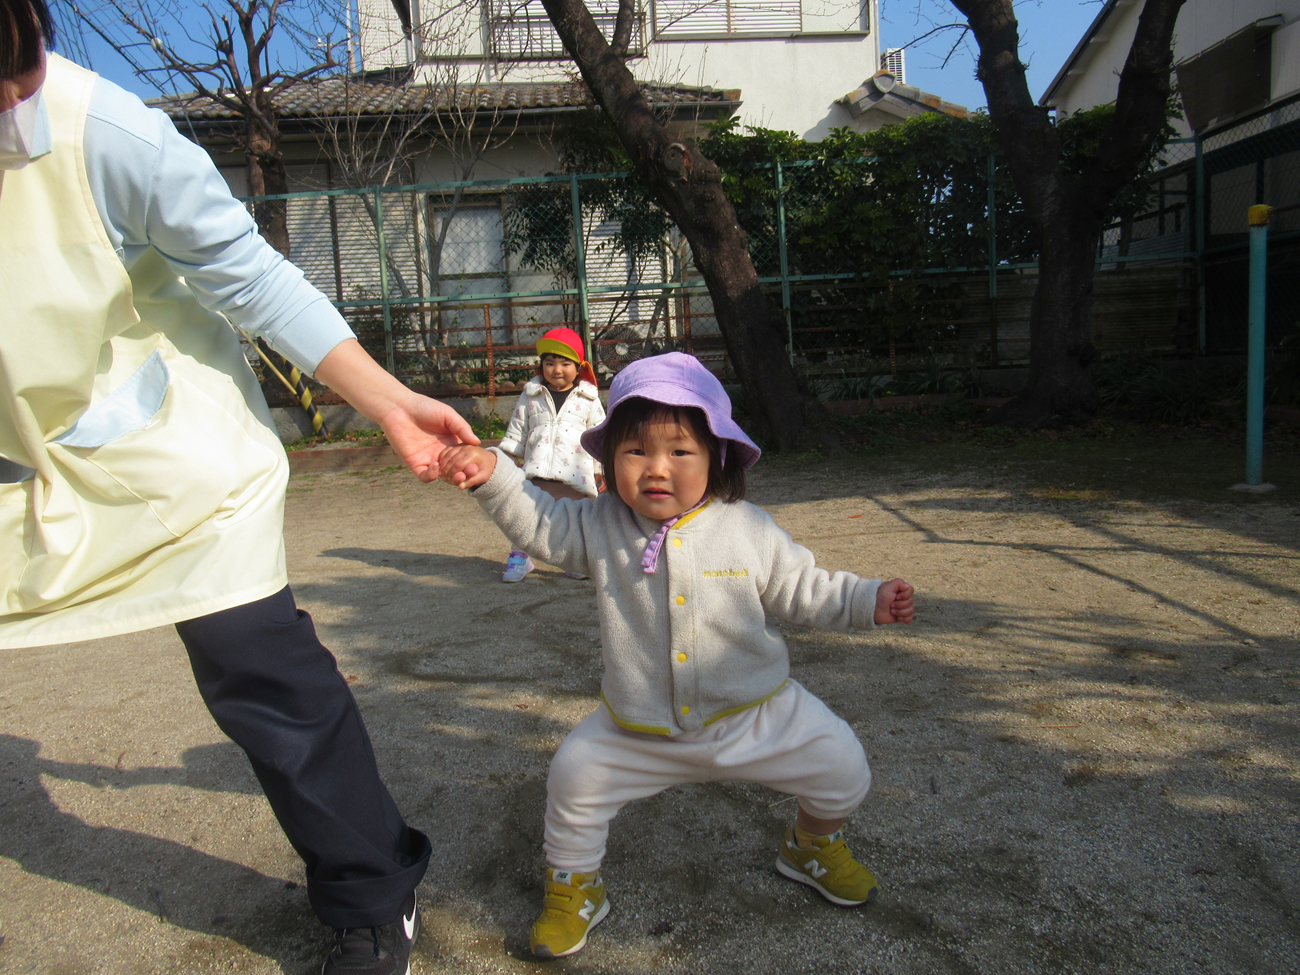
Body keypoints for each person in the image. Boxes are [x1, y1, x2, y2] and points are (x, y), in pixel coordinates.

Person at [0, 4, 476, 971]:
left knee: (256, 659)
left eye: (17, 65)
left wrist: (387, 403)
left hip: (162, 448)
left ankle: (372, 891)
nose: (16, 96)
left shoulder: (109, 132)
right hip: (14, 452)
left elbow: (253, 278)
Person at [438, 352, 916, 959]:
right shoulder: (600, 524)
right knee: (574, 777)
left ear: (716, 455)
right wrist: (492, 475)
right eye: (635, 450)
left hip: (756, 712)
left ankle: (810, 847)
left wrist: (867, 599)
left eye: (679, 451)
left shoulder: (748, 528)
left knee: (843, 765)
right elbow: (540, 523)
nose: (656, 468)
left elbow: (806, 587)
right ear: (609, 459)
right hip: (638, 723)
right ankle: (575, 888)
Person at [496, 326, 605, 582]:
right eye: (550, 363)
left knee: (575, 520)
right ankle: (520, 557)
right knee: (525, 515)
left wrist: (602, 468)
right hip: (537, 472)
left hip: (575, 475)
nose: (557, 370)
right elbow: (518, 427)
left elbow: (599, 434)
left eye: (565, 363)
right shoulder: (531, 395)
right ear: (541, 366)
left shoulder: (588, 399)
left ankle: (574, 559)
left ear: (579, 368)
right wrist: (509, 456)